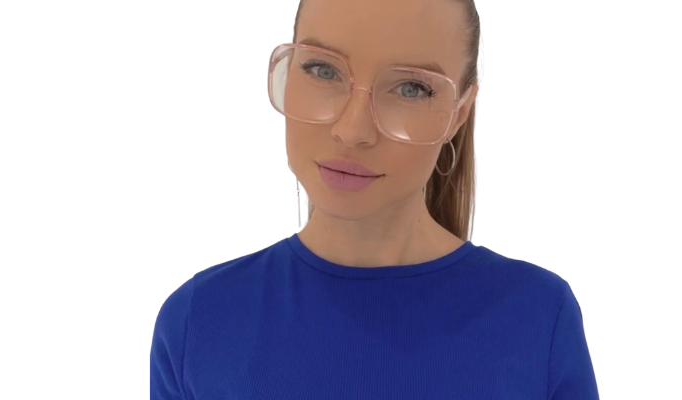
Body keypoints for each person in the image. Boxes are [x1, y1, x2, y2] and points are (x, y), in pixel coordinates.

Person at [150, 0, 599, 398]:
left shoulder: (538, 318)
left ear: (459, 113)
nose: (353, 130)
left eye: (411, 88)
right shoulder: (199, 320)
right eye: (322, 70)